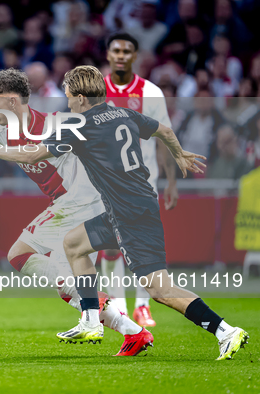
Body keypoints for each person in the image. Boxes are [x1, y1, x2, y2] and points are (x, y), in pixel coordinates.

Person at [18, 65, 247, 360]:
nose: (68, 102)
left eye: (69, 97)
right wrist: (178, 153)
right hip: (128, 209)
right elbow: (163, 130)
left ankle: (224, 330)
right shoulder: (121, 113)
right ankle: (91, 321)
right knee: (74, 243)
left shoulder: (81, 125)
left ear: (80, 97)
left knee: (160, 290)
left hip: (131, 215)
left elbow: (34, 154)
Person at [0, 68, 153, 356]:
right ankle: (133, 332)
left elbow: (29, 153)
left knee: (19, 254)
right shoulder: (0, 130)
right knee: (67, 288)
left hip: (83, 199)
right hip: (71, 203)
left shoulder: (53, 125)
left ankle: (94, 302)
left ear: (12, 101)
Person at [101, 32, 178, 326]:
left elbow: (164, 137)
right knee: (109, 246)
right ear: (108, 55)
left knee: (143, 246)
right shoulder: (95, 91)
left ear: (135, 56)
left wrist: (171, 181)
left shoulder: (151, 93)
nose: (121, 55)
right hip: (104, 183)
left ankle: (142, 305)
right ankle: (118, 304)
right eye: (116, 50)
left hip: (141, 183)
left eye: (127, 51)